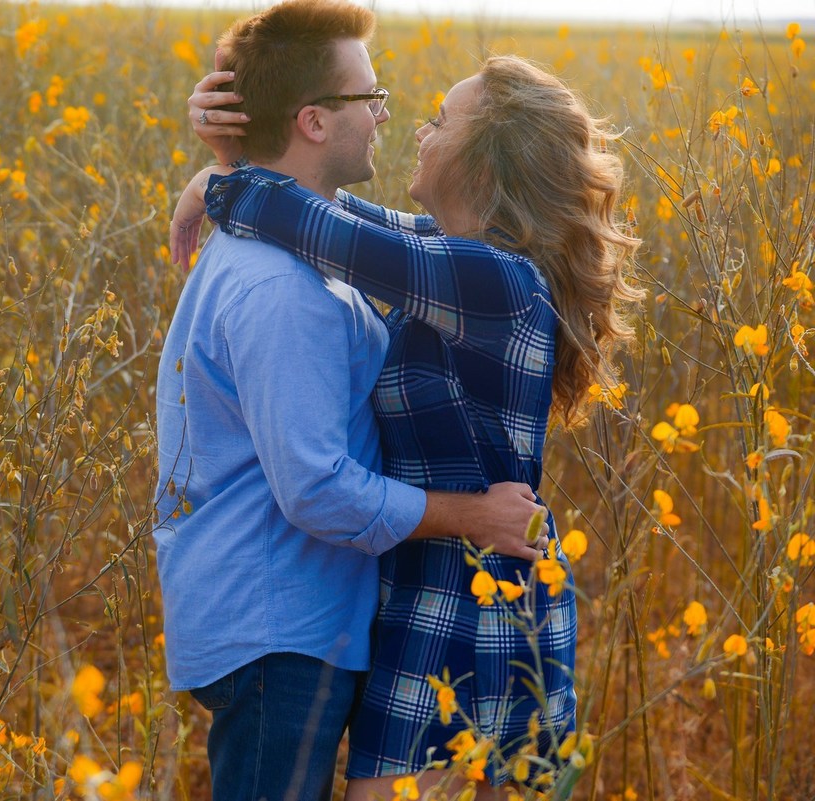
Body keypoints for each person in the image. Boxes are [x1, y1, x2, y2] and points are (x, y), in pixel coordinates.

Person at [173, 55, 642, 798]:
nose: (420, 133)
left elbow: (320, 227)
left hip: (482, 597)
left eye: (441, 121)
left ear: (484, 159)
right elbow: (332, 215)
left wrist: (222, 183)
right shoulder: (449, 256)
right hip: (421, 584)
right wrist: (235, 155)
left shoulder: (499, 282)